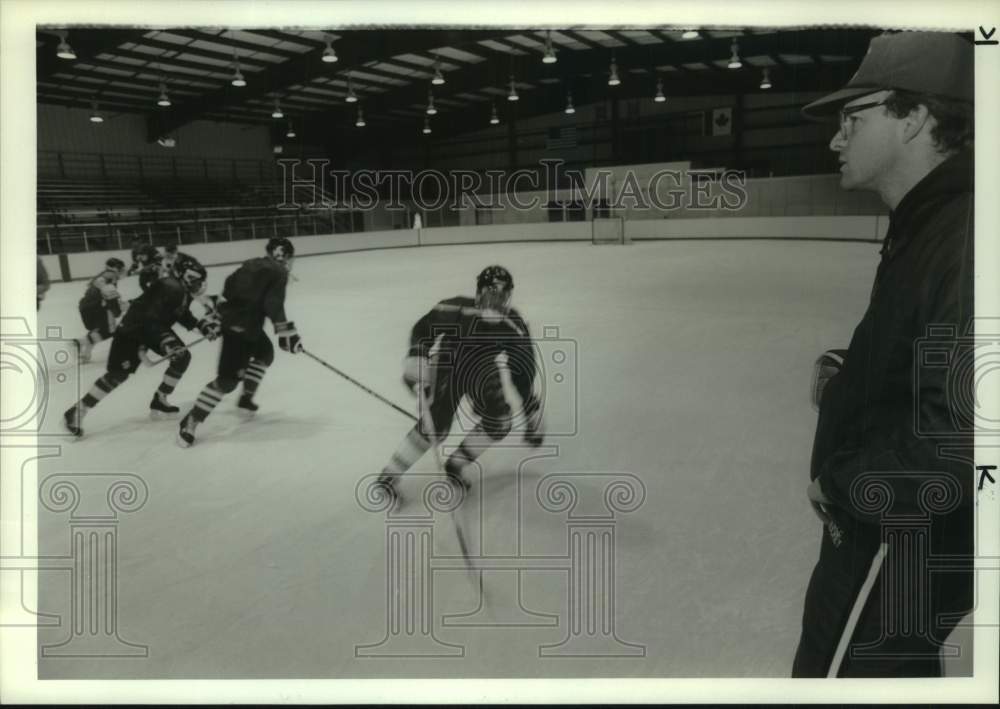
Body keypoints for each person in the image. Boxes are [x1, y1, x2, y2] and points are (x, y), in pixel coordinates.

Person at [794, 31, 974, 677]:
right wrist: (856, 371)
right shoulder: (925, 222)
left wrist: (842, 482)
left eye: (853, 118)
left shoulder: (965, 239)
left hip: (898, 546)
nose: (835, 139)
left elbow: (961, 442)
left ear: (915, 118)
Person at [375, 265, 545, 507]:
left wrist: (530, 408)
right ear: (478, 294)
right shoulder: (455, 308)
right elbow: (423, 330)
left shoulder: (512, 325)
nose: (495, 303)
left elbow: (522, 371)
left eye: (502, 297)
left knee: (500, 421)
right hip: (448, 363)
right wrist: (417, 357)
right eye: (490, 295)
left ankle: (454, 465)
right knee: (437, 425)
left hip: (483, 369)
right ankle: (388, 477)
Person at [63, 254, 220, 437]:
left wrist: (202, 326)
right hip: (133, 331)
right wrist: (166, 341)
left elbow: (181, 314)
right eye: (195, 281)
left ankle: (160, 400)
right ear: (184, 276)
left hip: (149, 330)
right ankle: (76, 412)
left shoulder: (179, 290)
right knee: (117, 375)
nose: (198, 286)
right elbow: (149, 319)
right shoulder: (170, 287)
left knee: (182, 357)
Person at [177, 237, 302, 447]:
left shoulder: (252, 263)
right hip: (241, 330)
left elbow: (229, 286)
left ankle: (245, 400)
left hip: (245, 325)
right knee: (227, 381)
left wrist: (221, 316)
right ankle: (191, 421)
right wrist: (287, 335)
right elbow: (273, 305)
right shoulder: (279, 272)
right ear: (286, 256)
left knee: (265, 354)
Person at [75, 257, 127, 363]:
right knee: (109, 331)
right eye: (120, 268)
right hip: (95, 307)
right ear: (115, 269)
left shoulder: (104, 275)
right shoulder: (109, 278)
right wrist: (118, 310)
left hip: (86, 307)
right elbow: (110, 298)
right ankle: (79, 343)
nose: (122, 271)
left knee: (97, 331)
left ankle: (85, 354)